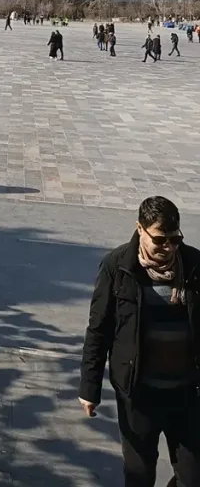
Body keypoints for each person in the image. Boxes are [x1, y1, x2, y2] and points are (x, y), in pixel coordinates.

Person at [79, 196, 200, 487]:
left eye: (174, 238)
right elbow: (99, 329)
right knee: (139, 475)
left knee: (193, 477)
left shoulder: (195, 264)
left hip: (187, 394)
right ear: (140, 229)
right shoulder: (117, 266)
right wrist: (89, 387)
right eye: (160, 239)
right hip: (138, 395)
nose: (168, 247)